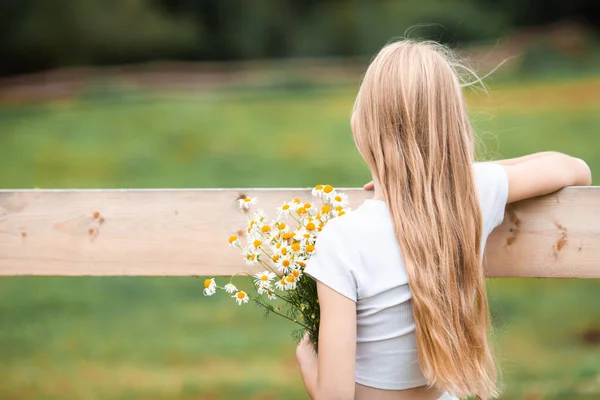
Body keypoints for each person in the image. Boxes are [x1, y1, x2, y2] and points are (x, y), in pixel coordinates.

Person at [295, 40, 592, 400]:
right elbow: (575, 168)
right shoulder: (472, 198)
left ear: (362, 127)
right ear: (455, 125)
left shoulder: (343, 240)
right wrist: (449, 177)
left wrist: (306, 360)